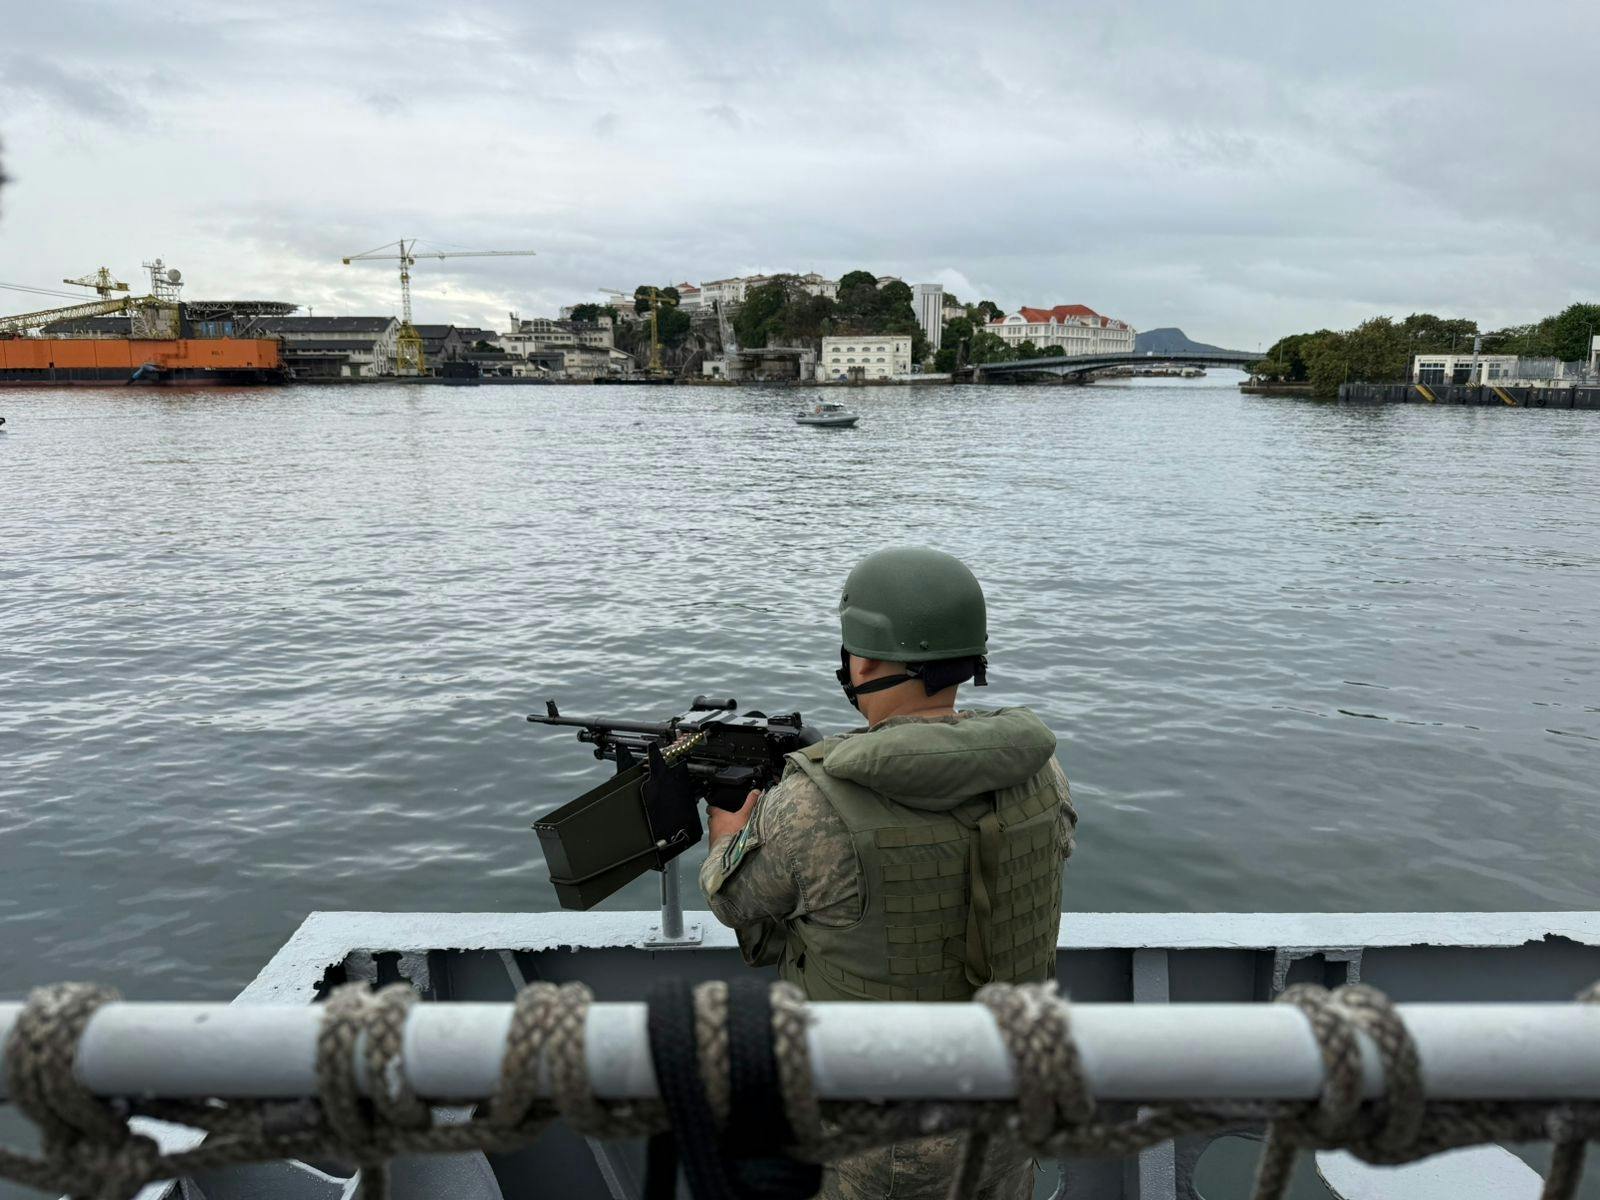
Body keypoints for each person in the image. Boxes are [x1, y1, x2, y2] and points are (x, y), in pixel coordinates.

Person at [699, 546, 1077, 1200]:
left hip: (883, 1135)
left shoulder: (813, 804)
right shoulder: (1041, 774)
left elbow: (734, 899)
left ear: (864, 661)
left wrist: (728, 831)